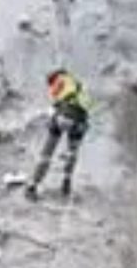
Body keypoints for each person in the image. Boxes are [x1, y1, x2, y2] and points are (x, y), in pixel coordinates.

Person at [27, 68, 92, 200]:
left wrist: (51, 113)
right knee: (72, 153)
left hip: (62, 119)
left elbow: (55, 105)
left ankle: (32, 186)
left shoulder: (59, 82)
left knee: (47, 153)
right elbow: (88, 106)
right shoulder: (79, 85)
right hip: (79, 122)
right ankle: (66, 182)